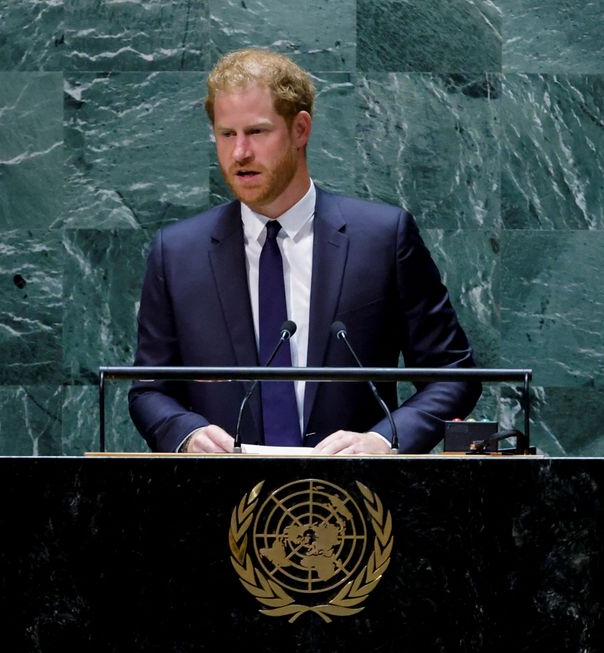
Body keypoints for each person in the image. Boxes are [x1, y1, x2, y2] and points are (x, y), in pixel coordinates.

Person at [128, 48, 480, 455]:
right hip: (220, 500)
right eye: (227, 134)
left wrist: (384, 440)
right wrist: (184, 433)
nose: (240, 152)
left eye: (257, 132)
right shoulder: (177, 253)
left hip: (356, 501)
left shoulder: (382, 238)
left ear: (300, 130)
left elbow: (452, 375)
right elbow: (149, 390)